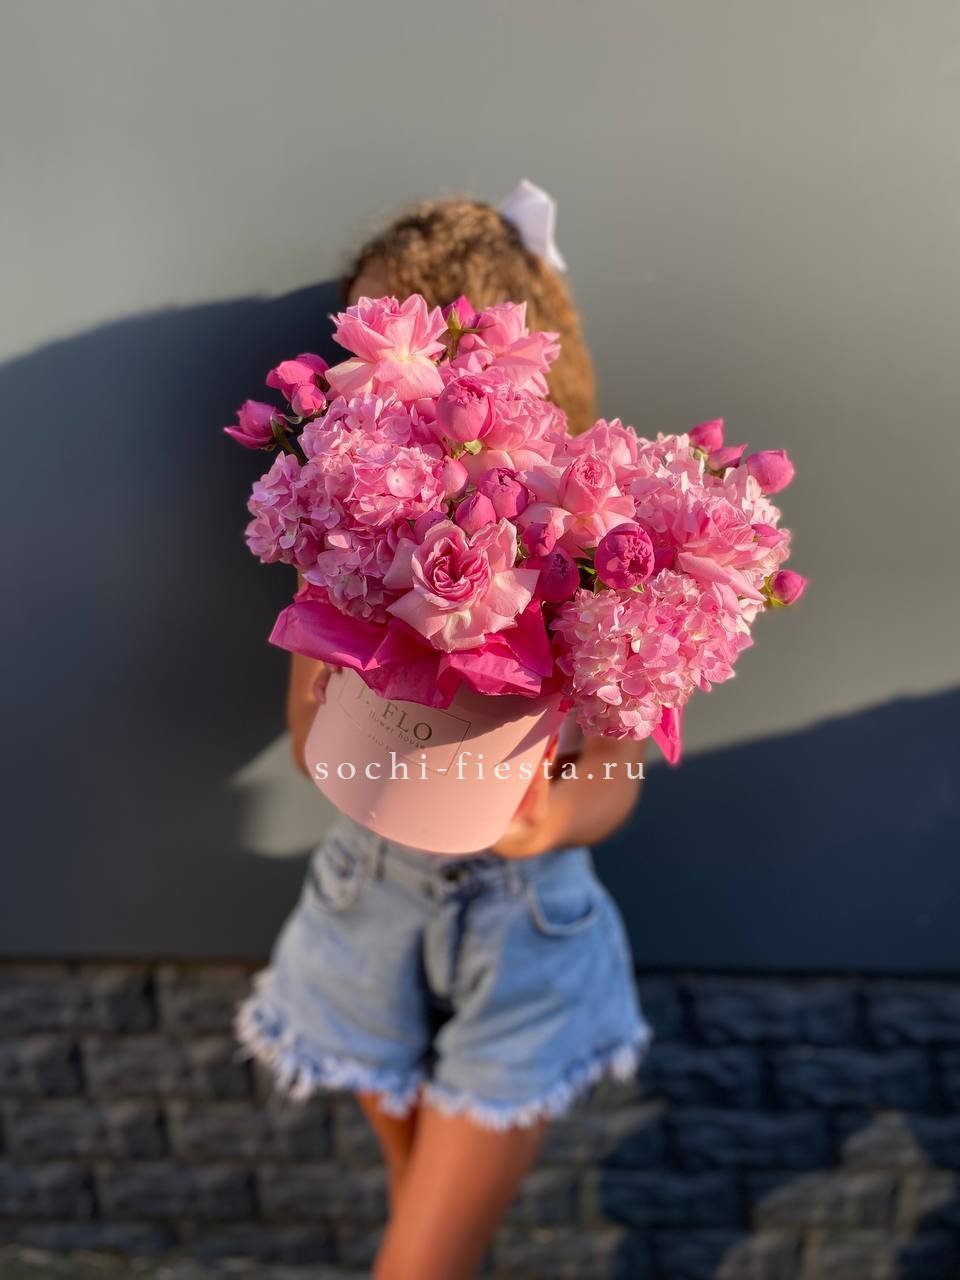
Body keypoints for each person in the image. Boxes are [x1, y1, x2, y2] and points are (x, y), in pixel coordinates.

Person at [234, 189, 653, 1280]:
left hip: (528, 931)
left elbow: (617, 776)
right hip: (368, 901)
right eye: (368, 361)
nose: (390, 390)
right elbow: (305, 725)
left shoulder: (605, 539)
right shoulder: (342, 528)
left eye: (419, 360)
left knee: (421, 1257)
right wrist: (368, 744)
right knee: (421, 1231)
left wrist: (546, 816)